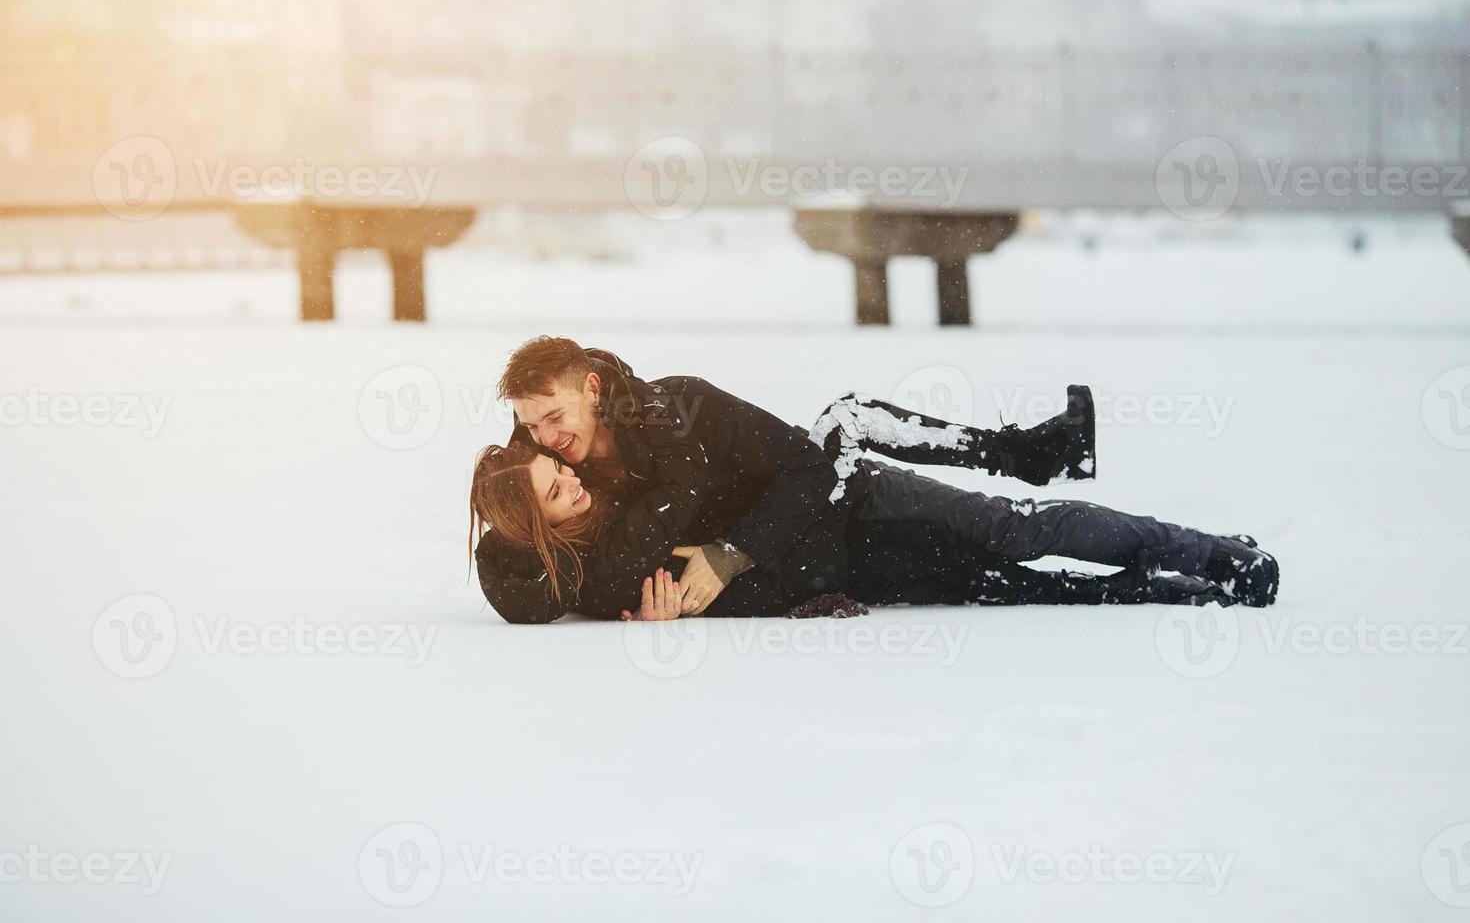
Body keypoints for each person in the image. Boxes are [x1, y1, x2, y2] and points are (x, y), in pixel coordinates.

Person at [469, 337, 1278, 622]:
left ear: (593, 389)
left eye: (553, 416)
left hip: (842, 496)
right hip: (829, 559)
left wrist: (733, 555)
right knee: (1020, 582)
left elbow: (804, 466)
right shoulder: (561, 479)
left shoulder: (679, 409)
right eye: (531, 428)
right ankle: (1055, 468)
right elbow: (524, 537)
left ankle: (1209, 555)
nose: (549, 442)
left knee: (1011, 528)